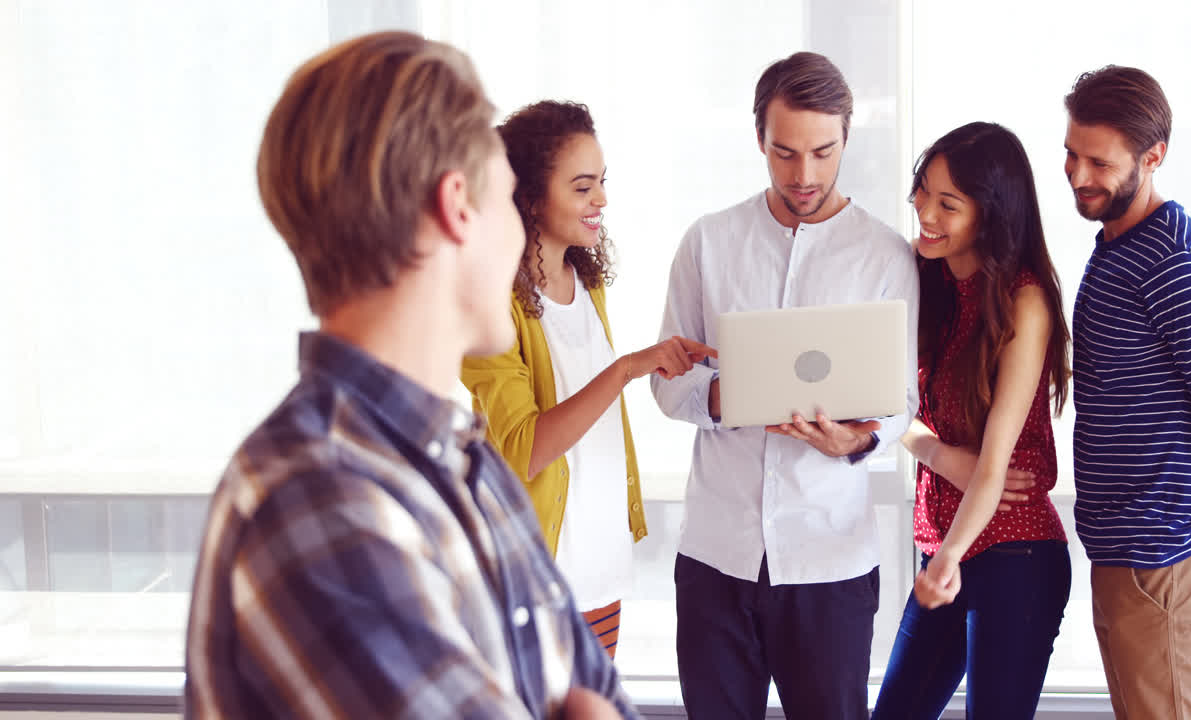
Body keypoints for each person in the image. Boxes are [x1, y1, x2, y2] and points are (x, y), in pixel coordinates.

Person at [184, 31, 637, 719]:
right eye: (509, 197)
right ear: (458, 206)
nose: (518, 232)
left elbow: (604, 699)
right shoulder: (319, 498)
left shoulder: (469, 467)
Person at [651, 51, 919, 720]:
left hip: (829, 562)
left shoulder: (886, 256)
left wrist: (855, 439)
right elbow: (666, 384)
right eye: (785, 153)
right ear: (759, 140)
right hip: (716, 555)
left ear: (848, 138)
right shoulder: (708, 243)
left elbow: (903, 399)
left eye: (824, 153)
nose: (805, 175)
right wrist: (727, 394)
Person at [461, 100, 713, 659]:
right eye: (581, 187)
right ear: (527, 197)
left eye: (601, 182)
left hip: (602, 568)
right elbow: (523, 450)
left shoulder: (584, 281)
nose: (601, 199)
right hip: (537, 577)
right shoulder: (488, 306)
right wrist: (626, 368)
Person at [1063, 65, 1191, 720]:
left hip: (1164, 561)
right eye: (1071, 153)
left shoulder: (1176, 262)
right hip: (1130, 559)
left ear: (1154, 157)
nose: (1077, 174)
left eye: (1099, 161)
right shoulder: (1122, 246)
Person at [870, 122, 1073, 719]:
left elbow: (997, 463)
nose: (925, 213)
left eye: (947, 203)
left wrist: (950, 557)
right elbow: (882, 403)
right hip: (946, 546)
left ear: (990, 214)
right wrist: (938, 454)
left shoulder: (1023, 299)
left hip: (1014, 553)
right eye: (922, 192)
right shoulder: (920, 272)